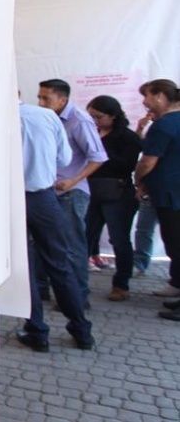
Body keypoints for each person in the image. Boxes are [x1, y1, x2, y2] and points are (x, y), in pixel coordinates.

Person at [17, 101, 95, 352]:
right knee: (59, 264)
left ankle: (37, 331)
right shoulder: (46, 116)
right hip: (44, 197)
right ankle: (82, 331)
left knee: (24, 267)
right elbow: (65, 158)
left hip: (12, 201)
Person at [37, 79, 107, 307]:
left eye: (46, 98)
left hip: (72, 192)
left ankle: (77, 297)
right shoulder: (46, 118)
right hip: (48, 191)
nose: (41, 102)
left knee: (72, 245)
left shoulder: (79, 120)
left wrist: (72, 181)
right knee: (45, 243)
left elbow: (98, 157)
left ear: (62, 99)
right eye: (39, 97)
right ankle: (46, 291)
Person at [85, 96, 141, 301]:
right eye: (90, 116)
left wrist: (99, 154)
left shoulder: (128, 138)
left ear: (113, 116)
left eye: (98, 117)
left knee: (119, 240)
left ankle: (121, 284)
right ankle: (79, 287)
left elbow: (126, 166)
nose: (94, 121)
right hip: (90, 191)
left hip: (118, 193)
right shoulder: (90, 134)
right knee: (84, 238)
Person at [134, 79, 180, 317]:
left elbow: (148, 161)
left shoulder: (164, 125)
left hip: (170, 193)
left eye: (148, 96)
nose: (145, 102)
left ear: (161, 96)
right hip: (172, 191)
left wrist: (138, 179)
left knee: (176, 243)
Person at [132, 112, 159, 276]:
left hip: (167, 189)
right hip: (149, 187)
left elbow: (147, 161)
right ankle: (140, 263)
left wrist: (138, 180)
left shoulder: (167, 127)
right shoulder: (155, 128)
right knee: (144, 229)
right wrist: (140, 128)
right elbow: (140, 147)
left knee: (171, 233)